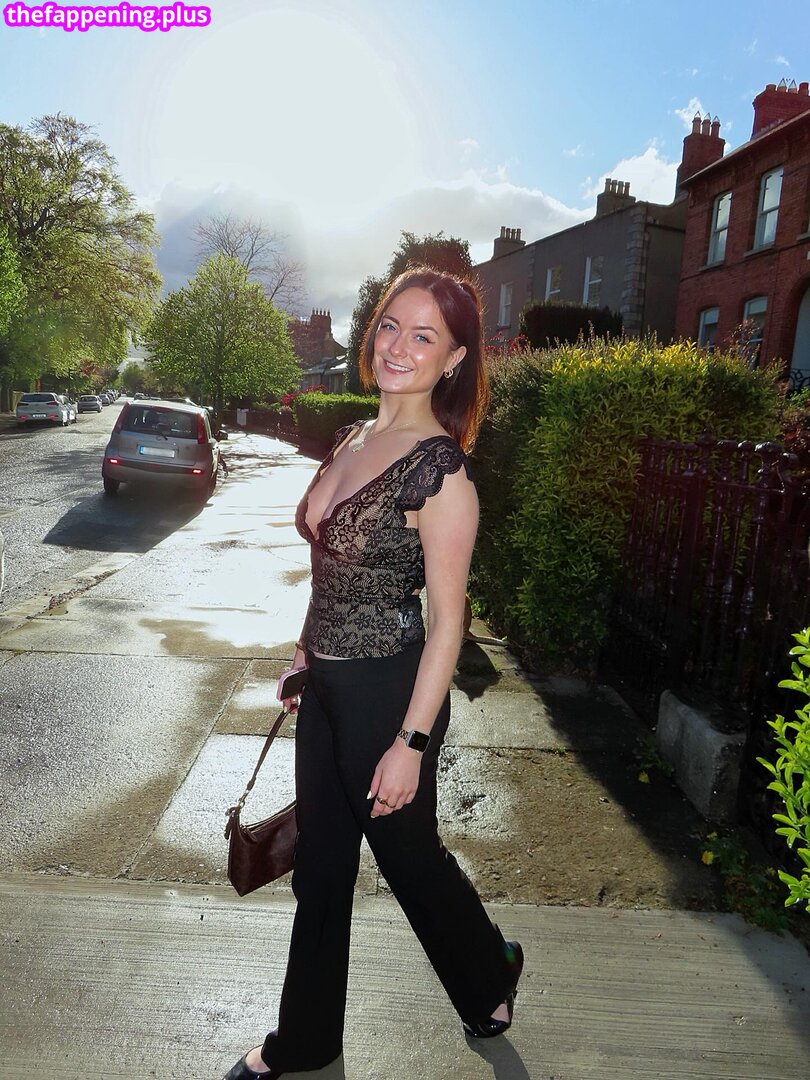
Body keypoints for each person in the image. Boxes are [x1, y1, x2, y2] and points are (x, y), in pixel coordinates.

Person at [222, 266, 525, 1080]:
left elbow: (449, 622)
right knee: (321, 866)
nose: (399, 345)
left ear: (454, 359)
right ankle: (306, 1041)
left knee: (408, 859)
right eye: (391, 324)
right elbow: (330, 568)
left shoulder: (441, 472)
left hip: (389, 695)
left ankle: (490, 971)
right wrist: (303, 652)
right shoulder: (352, 437)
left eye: (425, 335)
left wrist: (411, 744)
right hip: (325, 688)